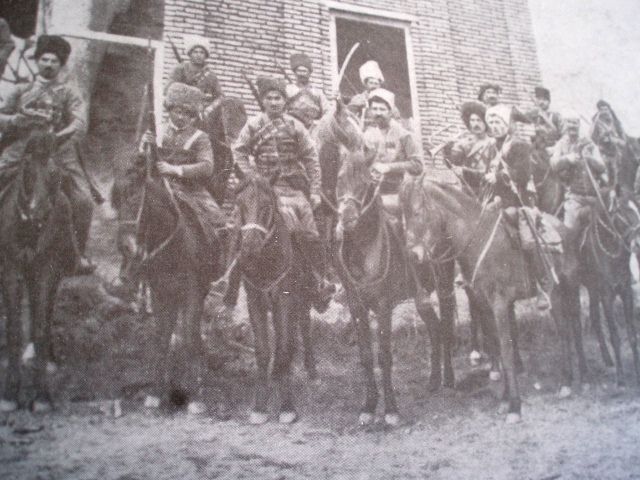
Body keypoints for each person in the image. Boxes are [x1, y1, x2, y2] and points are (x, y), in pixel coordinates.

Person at [229, 76, 334, 312]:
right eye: (269, 98)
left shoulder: (295, 126)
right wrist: (250, 178)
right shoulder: (254, 125)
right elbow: (238, 152)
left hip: (291, 188)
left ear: (284, 101)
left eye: (278, 98)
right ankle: (229, 283)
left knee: (309, 232)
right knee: (238, 224)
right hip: (262, 188)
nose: (274, 102)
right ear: (263, 101)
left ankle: (319, 281)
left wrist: (315, 190)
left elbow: (311, 159)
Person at [0, 34, 95, 274]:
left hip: (58, 152)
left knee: (84, 201)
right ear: (37, 61)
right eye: (45, 59)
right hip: (21, 149)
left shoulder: (68, 92)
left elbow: (79, 121)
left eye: (54, 61)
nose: (49, 64)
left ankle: (77, 256)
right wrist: (16, 120)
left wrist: (60, 135)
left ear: (61, 64)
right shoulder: (22, 89)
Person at [140, 82, 225, 256]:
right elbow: (141, 162)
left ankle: (215, 269)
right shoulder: (158, 133)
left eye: (187, 114)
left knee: (219, 222)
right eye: (177, 111)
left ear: (194, 117)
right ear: (170, 111)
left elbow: (207, 167)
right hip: (158, 186)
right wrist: (144, 147)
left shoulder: (201, 138)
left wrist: (175, 169)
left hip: (190, 189)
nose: (181, 117)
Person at [363, 88, 423, 223]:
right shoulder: (367, 135)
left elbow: (418, 166)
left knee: (393, 225)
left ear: (390, 111)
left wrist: (389, 167)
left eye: (382, 109)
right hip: (370, 191)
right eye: (374, 109)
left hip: (396, 190)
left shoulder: (404, 135)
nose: (378, 113)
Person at [551, 115, 606, 233]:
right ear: (565, 125)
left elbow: (602, 167)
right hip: (575, 199)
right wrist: (567, 159)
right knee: (569, 231)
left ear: (579, 125)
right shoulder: (561, 144)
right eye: (569, 123)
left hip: (594, 198)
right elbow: (554, 164)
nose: (572, 127)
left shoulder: (589, 144)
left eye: (575, 123)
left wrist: (589, 158)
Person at [444, 101, 496, 195]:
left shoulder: (493, 143)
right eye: (472, 120)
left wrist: (464, 171)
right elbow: (452, 163)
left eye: (479, 120)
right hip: (466, 191)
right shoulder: (463, 143)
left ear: (486, 122)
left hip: (487, 191)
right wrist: (447, 149)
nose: (475, 124)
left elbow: (490, 174)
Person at [167, 34, 222, 108]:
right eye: (195, 52)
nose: (198, 55)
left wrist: (210, 108)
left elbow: (220, 97)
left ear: (205, 55)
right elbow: (169, 90)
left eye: (202, 52)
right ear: (190, 54)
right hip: (182, 110)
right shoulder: (180, 69)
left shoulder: (211, 76)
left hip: (203, 113)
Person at [285, 52, 330, 131]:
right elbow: (282, 110)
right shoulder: (288, 90)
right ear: (294, 73)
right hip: (292, 129)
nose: (301, 74)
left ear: (309, 73)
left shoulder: (317, 92)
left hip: (314, 130)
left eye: (304, 71)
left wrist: (318, 122)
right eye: (299, 71)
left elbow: (328, 112)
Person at [525, 86, 563, 159]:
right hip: (537, 149)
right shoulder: (535, 114)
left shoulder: (556, 116)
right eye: (539, 99)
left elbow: (565, 136)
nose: (541, 102)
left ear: (549, 102)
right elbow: (523, 116)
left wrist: (555, 148)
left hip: (552, 150)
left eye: (544, 100)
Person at [348, 60, 385, 129]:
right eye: (371, 83)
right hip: (364, 134)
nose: (374, 86)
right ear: (365, 84)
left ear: (380, 85)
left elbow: (396, 118)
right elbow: (348, 117)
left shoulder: (386, 99)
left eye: (376, 84)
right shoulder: (358, 99)